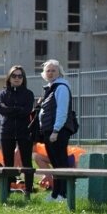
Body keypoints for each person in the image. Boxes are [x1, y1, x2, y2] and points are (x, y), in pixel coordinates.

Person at [38, 59, 74, 202]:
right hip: (49, 131)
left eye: (53, 70)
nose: (51, 73)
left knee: (60, 162)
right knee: (55, 163)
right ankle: (56, 193)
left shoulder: (61, 87)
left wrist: (56, 130)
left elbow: (62, 111)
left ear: (59, 72)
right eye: (48, 70)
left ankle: (63, 194)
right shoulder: (51, 88)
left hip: (57, 131)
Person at [0, 65, 35, 195]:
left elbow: (26, 111)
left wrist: (11, 110)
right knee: (8, 163)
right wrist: (17, 109)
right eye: (14, 76)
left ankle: (28, 191)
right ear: (9, 78)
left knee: (27, 162)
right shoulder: (3, 94)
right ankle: (6, 191)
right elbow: (1, 109)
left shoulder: (28, 94)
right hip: (6, 132)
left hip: (24, 132)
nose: (17, 78)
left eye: (20, 76)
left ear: (23, 78)